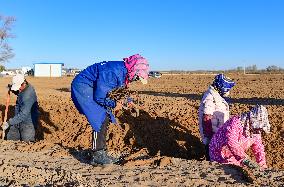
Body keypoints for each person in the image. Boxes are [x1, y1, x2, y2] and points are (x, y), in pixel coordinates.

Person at [71, 54, 149, 165]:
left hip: (94, 87)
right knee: (100, 117)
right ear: (134, 70)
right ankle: (97, 155)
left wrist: (128, 101)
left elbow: (120, 90)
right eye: (137, 77)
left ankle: (100, 152)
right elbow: (100, 97)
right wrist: (114, 104)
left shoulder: (124, 71)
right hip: (84, 86)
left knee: (105, 117)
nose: (136, 79)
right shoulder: (112, 72)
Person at [209, 105, 269, 170]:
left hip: (236, 155)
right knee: (235, 170)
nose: (258, 130)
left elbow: (258, 148)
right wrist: (245, 159)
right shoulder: (235, 123)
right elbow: (231, 142)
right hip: (220, 153)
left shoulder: (256, 130)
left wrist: (262, 165)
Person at [198, 74, 235, 160]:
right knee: (210, 147)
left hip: (218, 128)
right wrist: (209, 134)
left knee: (217, 147)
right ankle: (210, 160)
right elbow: (207, 116)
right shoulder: (210, 97)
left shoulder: (216, 95)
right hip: (212, 131)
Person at [2, 74, 39, 142]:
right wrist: (11, 88)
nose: (18, 90)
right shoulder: (23, 88)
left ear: (23, 83)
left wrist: (9, 123)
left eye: (18, 87)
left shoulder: (28, 96)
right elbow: (19, 92)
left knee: (27, 143)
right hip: (17, 119)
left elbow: (23, 115)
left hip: (28, 123)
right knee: (10, 140)